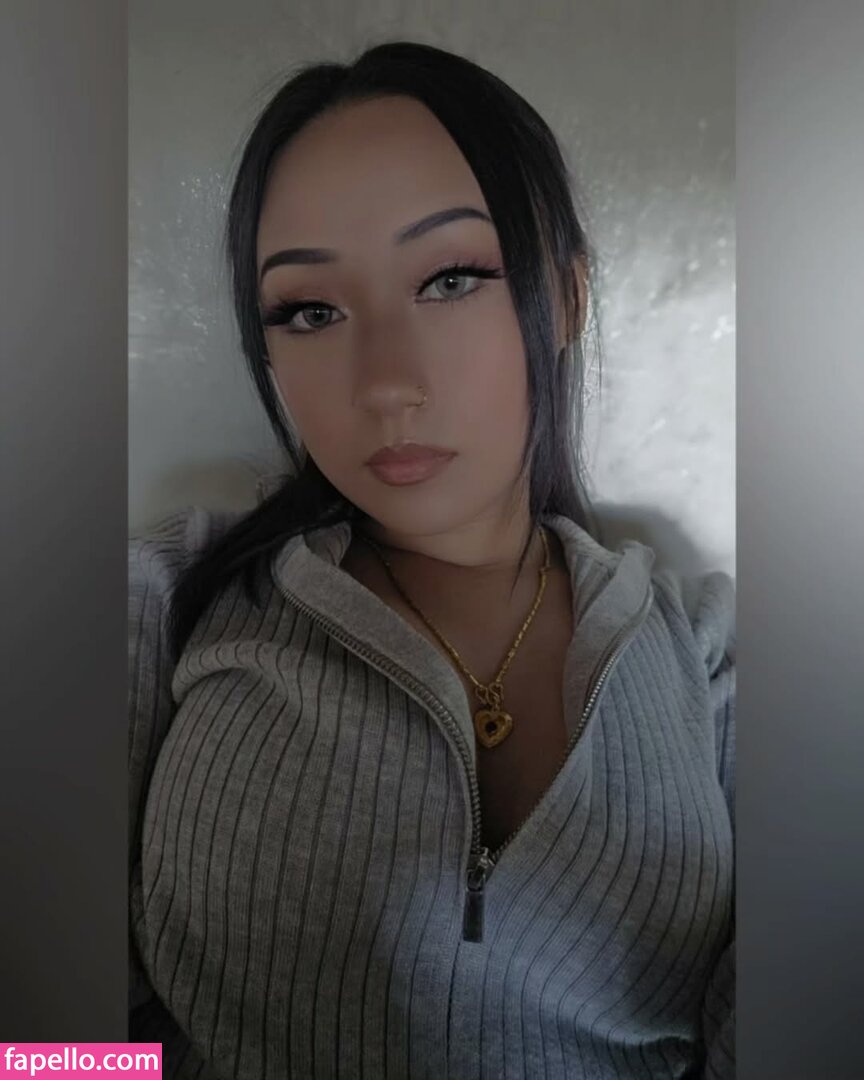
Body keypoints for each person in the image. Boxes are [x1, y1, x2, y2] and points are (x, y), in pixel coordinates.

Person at [129, 41, 735, 1080]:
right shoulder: (162, 596)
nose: (385, 383)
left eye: (451, 279)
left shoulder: (712, 654)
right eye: (310, 311)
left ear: (567, 297)